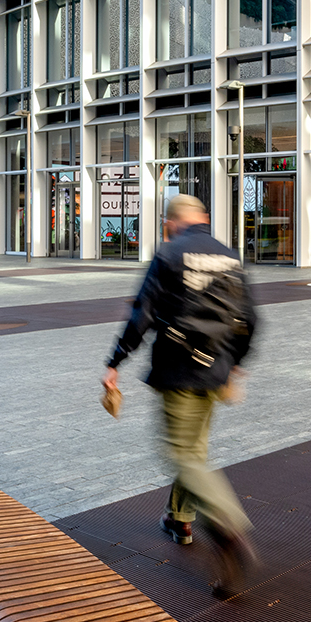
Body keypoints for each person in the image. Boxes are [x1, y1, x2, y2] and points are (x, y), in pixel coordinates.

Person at [102, 193, 258, 597]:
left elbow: (143, 314)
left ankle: (228, 525)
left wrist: (115, 360)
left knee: (179, 453)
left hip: (179, 368)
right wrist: (235, 362)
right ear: (202, 218)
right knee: (196, 449)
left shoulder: (170, 253)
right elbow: (251, 319)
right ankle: (180, 518)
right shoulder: (229, 255)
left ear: (171, 223)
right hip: (217, 368)